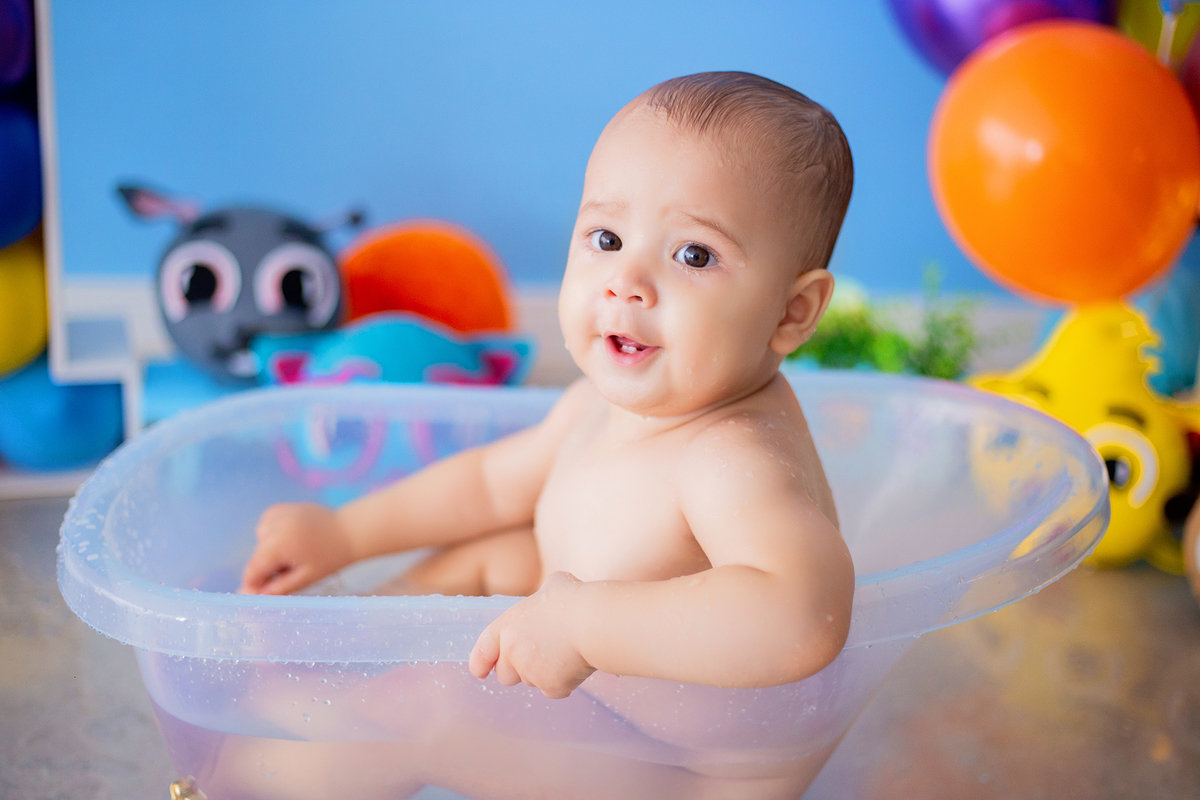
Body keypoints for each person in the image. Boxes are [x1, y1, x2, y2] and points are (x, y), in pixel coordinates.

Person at [232, 70, 855, 799]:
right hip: (609, 708)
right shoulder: (599, 406)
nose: (626, 280)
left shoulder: (731, 457)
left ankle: (253, 774)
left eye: (694, 255)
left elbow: (801, 617)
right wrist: (345, 534)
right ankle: (353, 647)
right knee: (501, 551)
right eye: (607, 238)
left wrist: (586, 625)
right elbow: (485, 484)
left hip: (681, 774)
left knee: (434, 707)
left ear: (791, 313)